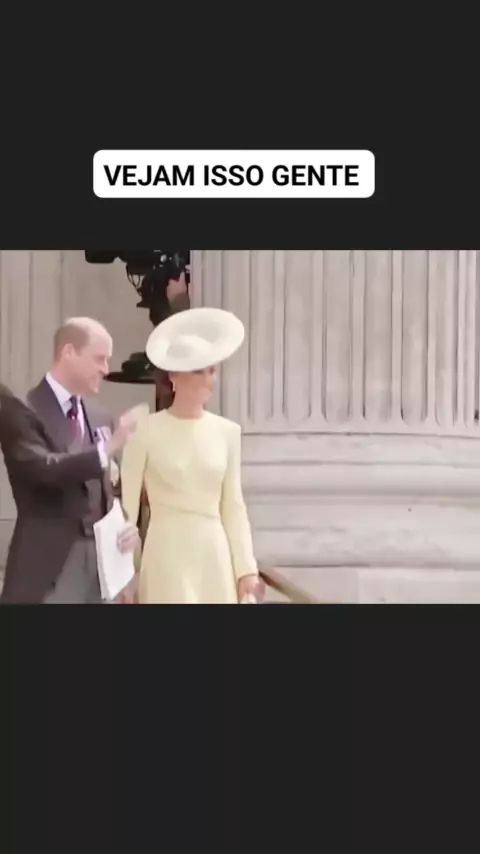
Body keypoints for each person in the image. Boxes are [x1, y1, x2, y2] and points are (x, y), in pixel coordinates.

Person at [120, 307, 261, 604]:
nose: (208, 379)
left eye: (211, 370)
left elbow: (234, 506)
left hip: (214, 556)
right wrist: (127, 573)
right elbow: (127, 512)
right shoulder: (144, 430)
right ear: (174, 376)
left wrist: (246, 569)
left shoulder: (227, 432)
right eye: (199, 370)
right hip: (165, 554)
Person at [0, 317, 140, 605]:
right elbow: (44, 469)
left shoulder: (101, 416)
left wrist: (125, 528)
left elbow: (108, 491)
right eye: (99, 359)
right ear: (69, 352)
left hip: (102, 566)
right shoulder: (22, 409)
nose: (105, 369)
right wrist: (107, 448)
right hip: (51, 566)